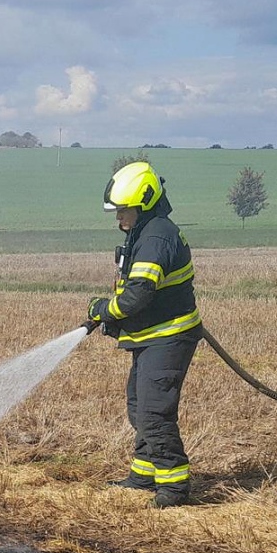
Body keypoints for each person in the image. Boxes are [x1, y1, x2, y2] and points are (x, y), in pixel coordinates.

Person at [84, 160, 202, 508]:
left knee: (154, 412)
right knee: (139, 408)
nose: (119, 217)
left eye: (124, 210)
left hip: (169, 337)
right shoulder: (145, 230)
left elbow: (137, 296)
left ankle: (173, 486)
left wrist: (104, 310)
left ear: (144, 202)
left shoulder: (155, 237)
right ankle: (144, 474)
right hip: (152, 336)